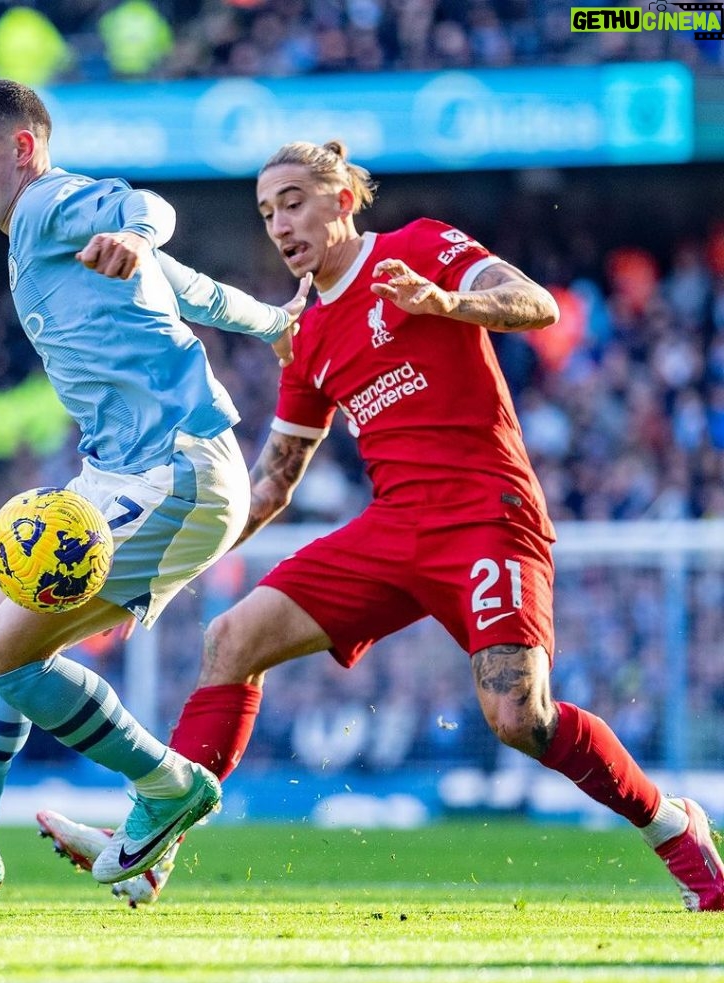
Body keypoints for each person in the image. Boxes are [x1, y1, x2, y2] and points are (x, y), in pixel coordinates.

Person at [37, 139, 724, 913]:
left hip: (485, 517)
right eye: (267, 213)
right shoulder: (304, 335)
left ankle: (674, 828)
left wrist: (446, 302)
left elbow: (540, 305)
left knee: (518, 718)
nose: (280, 225)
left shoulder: (421, 248)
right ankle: (156, 845)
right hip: (393, 531)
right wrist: (167, 569)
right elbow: (271, 484)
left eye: (293, 202)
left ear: (342, 198)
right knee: (230, 640)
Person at [0, 80, 309, 915]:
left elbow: (147, 212)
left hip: (176, 471)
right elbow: (191, 290)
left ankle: (169, 784)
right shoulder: (42, 241)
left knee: (4, 651)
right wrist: (277, 325)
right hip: (117, 473)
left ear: (21, 149)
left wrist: (134, 234)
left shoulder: (51, 205)